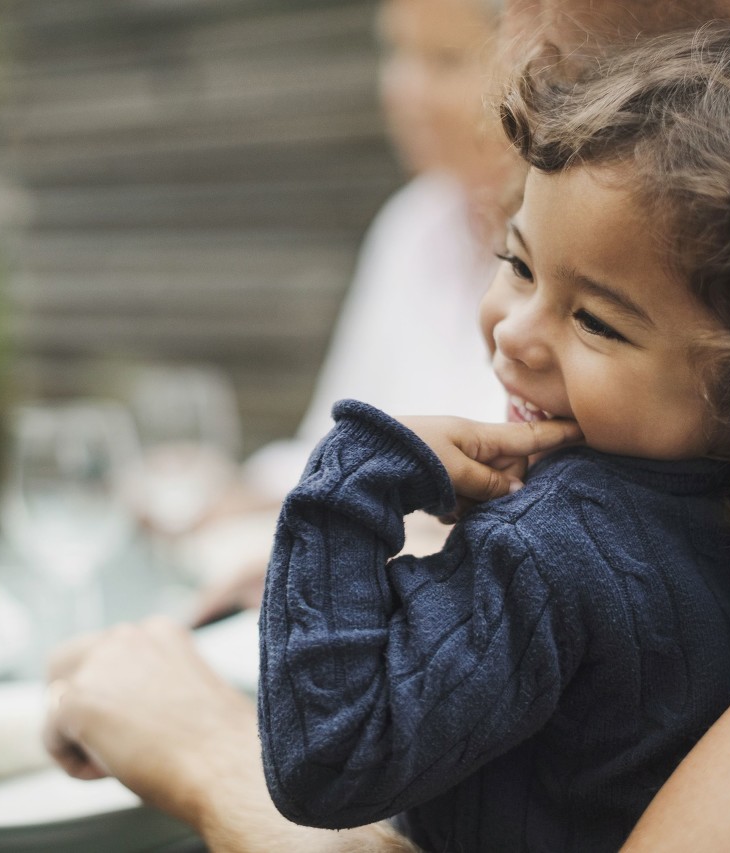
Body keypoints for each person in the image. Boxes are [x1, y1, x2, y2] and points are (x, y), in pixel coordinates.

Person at [44, 1, 730, 849]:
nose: (507, 29)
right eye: (512, 265)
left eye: (594, 315)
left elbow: (328, 761)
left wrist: (198, 746)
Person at [188, 0, 512, 624]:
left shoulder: (560, 259)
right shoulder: (412, 224)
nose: (403, 90)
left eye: (445, 60)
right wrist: (241, 489)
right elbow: (334, 435)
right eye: (396, 53)